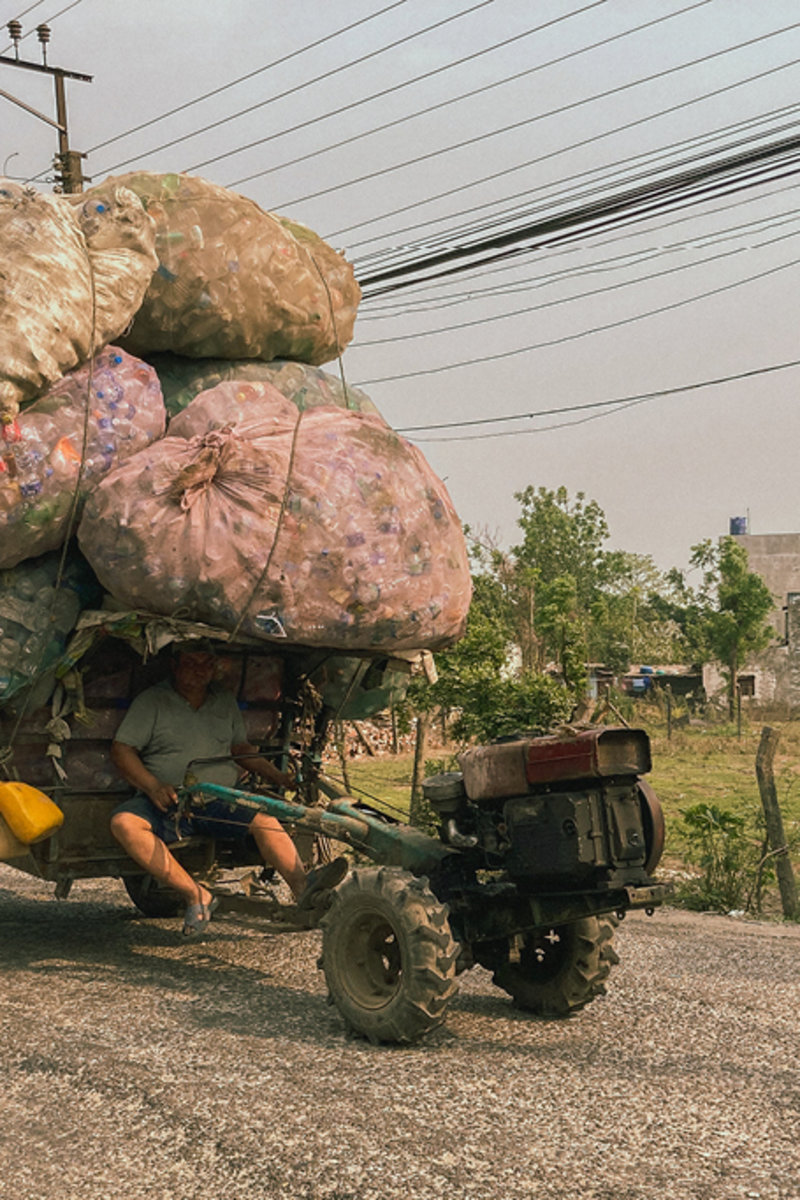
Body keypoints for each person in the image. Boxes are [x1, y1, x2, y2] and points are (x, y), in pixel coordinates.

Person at [110, 644, 346, 935]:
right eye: (191, 661)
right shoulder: (153, 701)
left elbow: (240, 749)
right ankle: (196, 896)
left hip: (219, 798)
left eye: (206, 663)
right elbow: (122, 750)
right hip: (171, 800)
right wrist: (153, 786)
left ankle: (303, 889)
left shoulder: (223, 701)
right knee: (124, 823)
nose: (199, 669)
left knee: (266, 820)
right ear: (174, 665)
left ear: (214, 667)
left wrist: (278, 776)